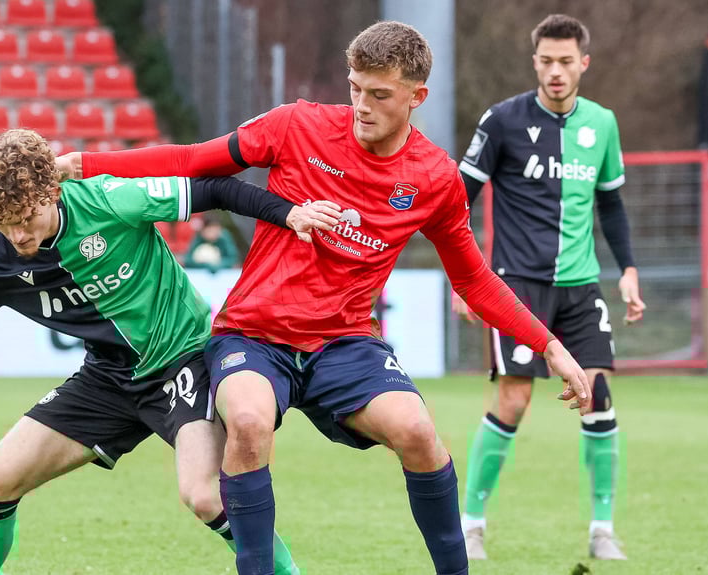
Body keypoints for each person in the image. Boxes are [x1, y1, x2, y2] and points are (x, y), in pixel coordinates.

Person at [56, 21, 592, 575]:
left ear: (417, 97)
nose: (362, 104)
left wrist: (548, 346)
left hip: (345, 343)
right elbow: (196, 160)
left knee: (418, 434)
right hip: (254, 334)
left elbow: (474, 278)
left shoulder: (434, 177)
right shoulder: (297, 125)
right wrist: (88, 165)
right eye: (356, 87)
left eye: (380, 94)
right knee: (247, 419)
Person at [0, 129, 340, 575]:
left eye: (26, 217)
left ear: (51, 192)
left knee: (204, 494)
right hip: (106, 380)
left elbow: (214, 187)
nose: (18, 235)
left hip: (183, 360)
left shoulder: (109, 198)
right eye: (3, 222)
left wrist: (288, 212)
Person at [453, 14, 645, 562]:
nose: (556, 71)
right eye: (546, 61)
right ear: (534, 61)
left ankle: (603, 529)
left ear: (583, 62)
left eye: (566, 61)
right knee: (513, 400)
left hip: (582, 287)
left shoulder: (602, 124)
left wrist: (627, 268)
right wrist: (464, 281)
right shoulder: (502, 120)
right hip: (516, 286)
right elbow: (458, 200)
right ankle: (472, 524)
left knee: (599, 397)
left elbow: (610, 203)